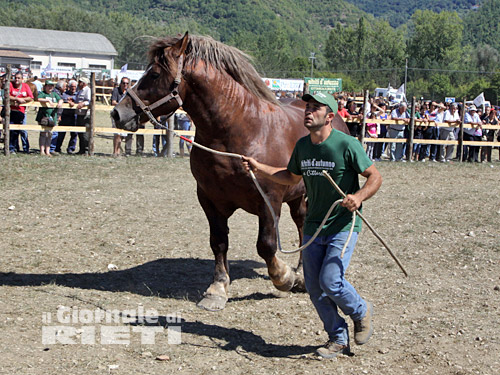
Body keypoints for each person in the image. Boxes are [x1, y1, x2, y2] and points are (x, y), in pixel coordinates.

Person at [242, 92, 382, 359]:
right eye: (307, 107)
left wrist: (359, 196)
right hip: (314, 226)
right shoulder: (303, 146)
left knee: (331, 281)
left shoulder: (347, 144)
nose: (308, 111)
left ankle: (361, 311)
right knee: (314, 288)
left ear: (330, 116)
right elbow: (290, 175)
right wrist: (260, 167)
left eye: (315, 108)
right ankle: (338, 338)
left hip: (342, 225)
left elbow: (375, 176)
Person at [9, 72, 34, 154]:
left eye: (18, 78)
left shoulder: (25, 86)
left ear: (22, 79)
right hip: (12, 111)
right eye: (15, 77)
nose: (16, 79)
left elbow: (31, 97)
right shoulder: (10, 85)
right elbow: (7, 95)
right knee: (12, 131)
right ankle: (12, 148)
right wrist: (17, 99)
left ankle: (26, 148)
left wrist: (23, 99)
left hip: (21, 111)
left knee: (23, 131)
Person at [36, 81, 63, 156]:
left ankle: (47, 151)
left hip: (52, 117)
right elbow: (38, 99)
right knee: (43, 134)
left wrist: (60, 102)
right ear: (45, 86)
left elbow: (60, 99)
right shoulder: (42, 93)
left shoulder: (54, 94)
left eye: (52, 86)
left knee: (50, 134)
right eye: (48, 86)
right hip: (43, 116)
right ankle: (42, 150)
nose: (50, 87)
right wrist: (47, 100)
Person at [55, 80, 78, 154]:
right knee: (61, 133)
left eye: (74, 87)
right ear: (69, 87)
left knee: (74, 134)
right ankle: (57, 148)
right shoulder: (64, 94)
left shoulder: (78, 94)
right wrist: (66, 101)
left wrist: (74, 102)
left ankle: (71, 149)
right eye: (72, 86)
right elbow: (60, 99)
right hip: (65, 115)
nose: (73, 88)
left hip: (74, 115)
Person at [111, 77, 130, 156]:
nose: (125, 85)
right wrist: (122, 104)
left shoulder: (129, 92)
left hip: (125, 114)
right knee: (117, 133)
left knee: (123, 134)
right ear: (120, 83)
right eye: (123, 83)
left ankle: (119, 150)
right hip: (116, 114)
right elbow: (113, 102)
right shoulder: (116, 90)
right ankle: (115, 151)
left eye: (127, 83)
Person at [72, 77, 91, 154]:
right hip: (79, 114)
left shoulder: (87, 90)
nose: (78, 83)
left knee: (85, 133)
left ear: (84, 83)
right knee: (80, 133)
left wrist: (83, 103)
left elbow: (89, 101)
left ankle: (86, 150)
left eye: (80, 82)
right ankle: (81, 149)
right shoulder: (79, 90)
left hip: (85, 114)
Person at [49, 80, 67, 154]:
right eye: (65, 86)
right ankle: (51, 149)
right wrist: (59, 115)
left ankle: (50, 148)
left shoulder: (58, 92)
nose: (66, 88)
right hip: (54, 114)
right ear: (60, 87)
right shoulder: (56, 93)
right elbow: (58, 105)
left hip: (54, 114)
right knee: (54, 131)